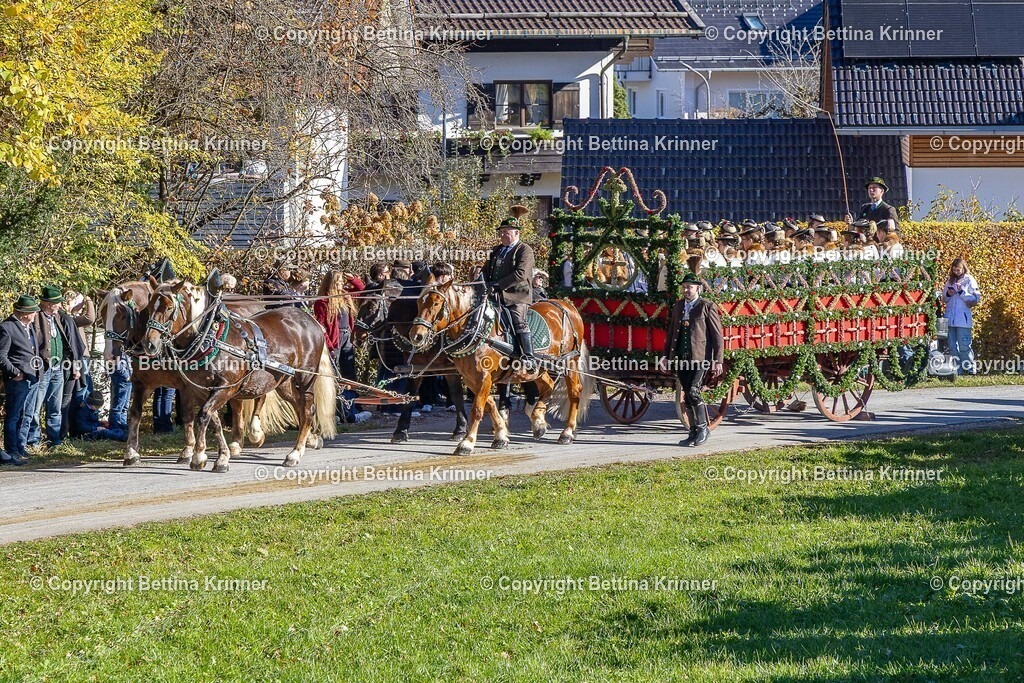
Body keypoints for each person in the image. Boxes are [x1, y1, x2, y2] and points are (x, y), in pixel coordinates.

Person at [666, 272, 724, 448]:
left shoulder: (707, 306)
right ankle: (692, 432)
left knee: (693, 391)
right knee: (686, 392)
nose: (686, 290)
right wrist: (666, 357)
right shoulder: (678, 306)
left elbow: (717, 336)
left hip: (700, 358)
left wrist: (718, 360)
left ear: (697, 288)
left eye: (689, 287)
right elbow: (671, 333)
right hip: (681, 357)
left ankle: (703, 428)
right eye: (684, 287)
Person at [26, 286, 84, 450]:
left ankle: (55, 440)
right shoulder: (35, 317)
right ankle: (33, 441)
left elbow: (70, 345)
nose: (59, 305)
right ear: (46, 303)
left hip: (59, 368)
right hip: (42, 369)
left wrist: (74, 365)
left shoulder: (59, 317)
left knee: (55, 407)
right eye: (56, 303)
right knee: (36, 408)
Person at [483, 205, 537, 367]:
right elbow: (486, 269)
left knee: (518, 321)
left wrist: (498, 285)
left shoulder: (525, 250)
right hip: (494, 293)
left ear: (516, 233)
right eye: (501, 232)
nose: (502, 234)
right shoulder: (496, 250)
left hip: (517, 295)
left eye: (506, 231)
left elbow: (520, 274)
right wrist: (482, 282)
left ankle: (529, 357)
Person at [0, 296, 43, 465]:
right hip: (17, 379)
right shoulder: (6, 327)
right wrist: (14, 373)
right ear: (25, 314)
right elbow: (1, 356)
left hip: (32, 377)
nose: (35, 315)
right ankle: (12, 451)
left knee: (27, 415)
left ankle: (20, 447)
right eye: (33, 312)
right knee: (13, 416)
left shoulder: (28, 327)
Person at [313, 270, 364, 381]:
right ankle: (335, 394)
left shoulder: (345, 296)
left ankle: (352, 392)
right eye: (340, 281)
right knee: (333, 368)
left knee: (349, 367)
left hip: (347, 335)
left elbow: (361, 290)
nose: (343, 283)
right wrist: (329, 346)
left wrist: (353, 279)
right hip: (334, 338)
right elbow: (321, 327)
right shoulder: (322, 302)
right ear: (333, 283)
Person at [942, 258, 981, 375]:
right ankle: (957, 370)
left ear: (963, 268)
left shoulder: (969, 280)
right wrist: (948, 293)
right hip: (950, 319)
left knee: (964, 346)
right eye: (954, 270)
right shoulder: (950, 280)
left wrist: (961, 292)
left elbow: (976, 299)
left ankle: (969, 369)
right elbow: (944, 298)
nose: (956, 272)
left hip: (963, 319)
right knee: (952, 346)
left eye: (958, 270)